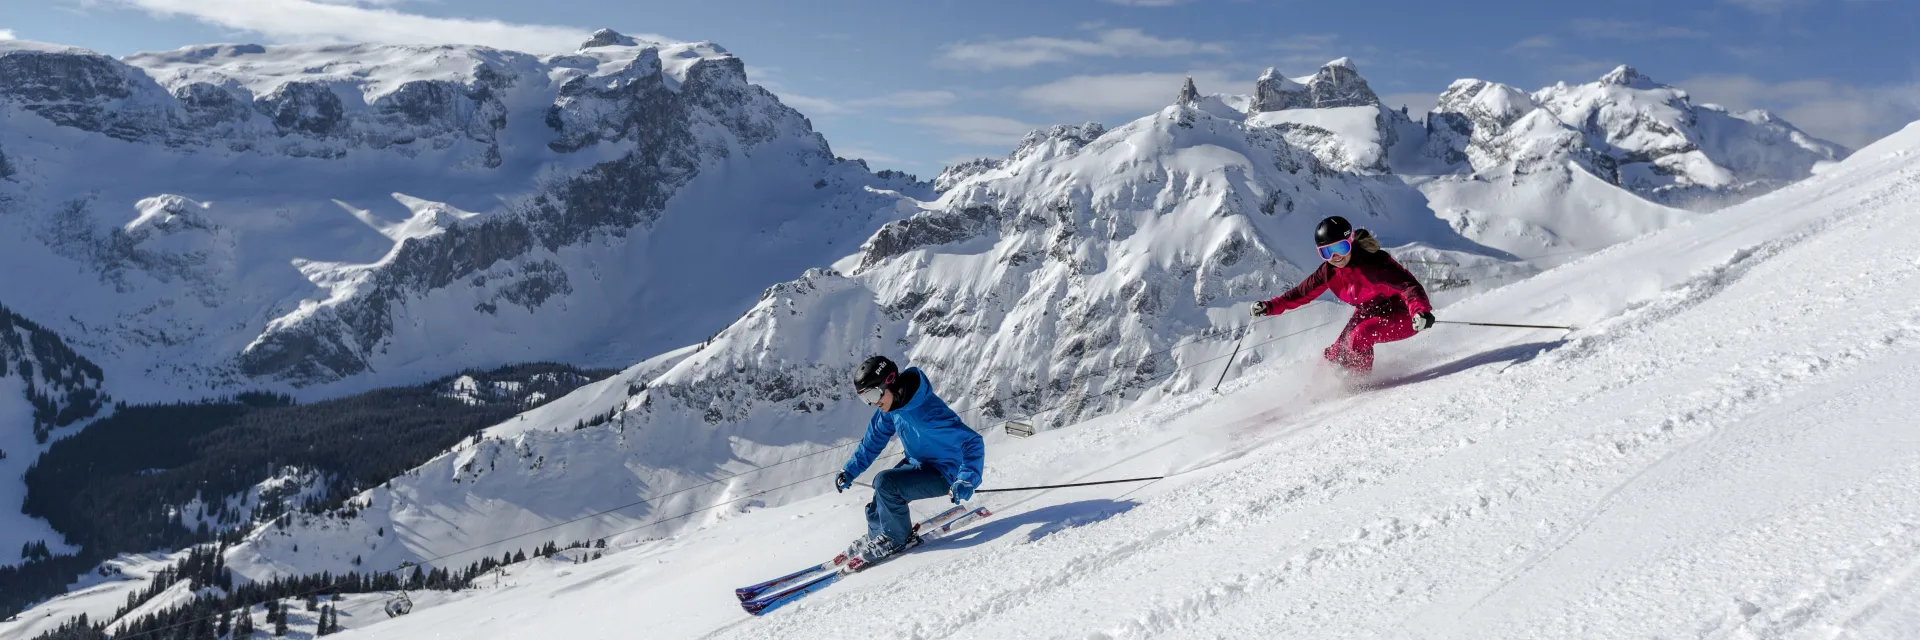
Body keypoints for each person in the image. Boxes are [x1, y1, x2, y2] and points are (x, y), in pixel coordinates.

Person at [834, 356, 985, 563]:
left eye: (873, 393)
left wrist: (966, 479)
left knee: (886, 484)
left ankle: (895, 539)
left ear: (891, 382)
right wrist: (850, 470)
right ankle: (877, 535)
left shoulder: (928, 412)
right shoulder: (892, 407)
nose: (872, 402)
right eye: (865, 398)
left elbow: (973, 442)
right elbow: (873, 440)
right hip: (919, 464)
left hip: (946, 473)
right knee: (880, 499)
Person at [1251, 216, 1435, 377]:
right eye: (1327, 252)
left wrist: (1420, 312)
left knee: (1359, 337)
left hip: (1404, 314)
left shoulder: (1374, 264)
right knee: (1335, 353)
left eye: (1340, 247)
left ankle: (1358, 385)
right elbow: (1300, 294)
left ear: (1351, 241)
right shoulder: (1327, 272)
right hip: (1370, 312)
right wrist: (1269, 307)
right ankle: (1316, 391)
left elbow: (1409, 286)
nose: (1335, 256)